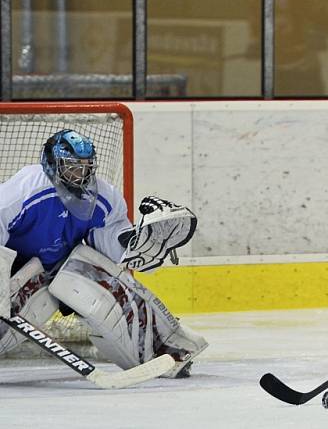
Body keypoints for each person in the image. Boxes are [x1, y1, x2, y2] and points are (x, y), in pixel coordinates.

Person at [0, 129, 207, 378]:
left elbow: (110, 246)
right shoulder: (25, 188)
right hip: (16, 273)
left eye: (86, 167)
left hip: (59, 270)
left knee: (103, 280)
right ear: (53, 164)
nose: (80, 175)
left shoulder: (104, 196)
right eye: (72, 168)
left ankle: (163, 349)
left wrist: (139, 244)